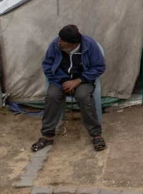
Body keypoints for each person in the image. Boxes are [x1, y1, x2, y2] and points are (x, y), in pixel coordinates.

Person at [32, 25, 106, 153]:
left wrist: (78, 81)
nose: (59, 42)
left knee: (83, 96)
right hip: (60, 80)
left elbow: (99, 67)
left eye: (62, 41)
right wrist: (64, 83)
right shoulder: (55, 45)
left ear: (73, 44)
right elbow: (47, 65)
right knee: (52, 96)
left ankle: (96, 134)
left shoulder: (90, 45)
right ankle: (47, 135)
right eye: (59, 38)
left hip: (83, 80)